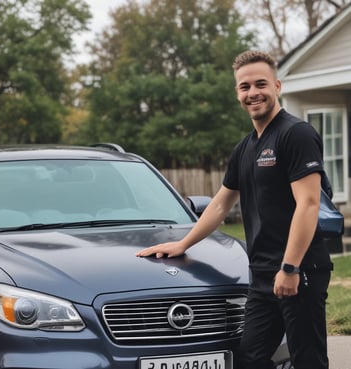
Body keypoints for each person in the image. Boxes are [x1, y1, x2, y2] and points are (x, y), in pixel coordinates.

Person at [136, 50, 333, 369]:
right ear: (237, 93)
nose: (253, 93)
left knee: (307, 359)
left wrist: (291, 267)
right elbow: (219, 205)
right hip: (262, 274)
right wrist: (183, 243)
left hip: (300, 270)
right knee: (250, 358)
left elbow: (308, 204)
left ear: (277, 86)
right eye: (245, 87)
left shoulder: (295, 134)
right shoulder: (246, 147)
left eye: (260, 84)